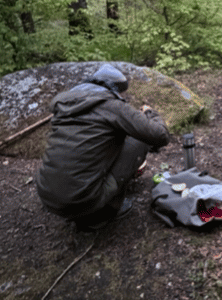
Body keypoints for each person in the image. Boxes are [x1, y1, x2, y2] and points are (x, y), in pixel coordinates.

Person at [35, 64, 171, 227]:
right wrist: (150, 113)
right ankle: (104, 213)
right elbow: (160, 135)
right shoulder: (113, 106)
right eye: (121, 92)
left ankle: (81, 206)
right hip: (82, 200)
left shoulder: (64, 107)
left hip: (49, 197)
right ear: (113, 89)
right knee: (139, 141)